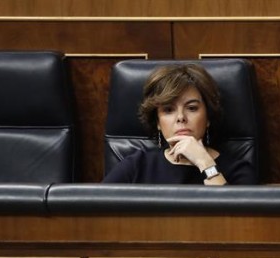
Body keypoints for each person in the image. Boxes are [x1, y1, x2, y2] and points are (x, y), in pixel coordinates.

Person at [103, 63, 256, 185]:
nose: (181, 117)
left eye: (192, 108)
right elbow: (95, 215)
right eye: (168, 110)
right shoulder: (136, 165)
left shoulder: (237, 170)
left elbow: (235, 221)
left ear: (208, 117)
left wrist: (205, 163)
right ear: (157, 121)